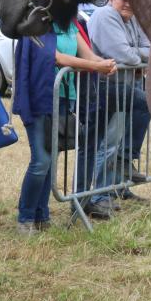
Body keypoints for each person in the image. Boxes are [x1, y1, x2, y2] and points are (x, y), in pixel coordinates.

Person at [13, 17, 115, 235]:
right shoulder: (36, 23)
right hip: (40, 100)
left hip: (65, 98)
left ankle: (41, 215)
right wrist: (96, 66)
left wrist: (107, 63)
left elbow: (88, 54)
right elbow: (56, 58)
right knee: (41, 161)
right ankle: (25, 217)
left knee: (51, 160)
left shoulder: (70, 23)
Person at [85, 0, 151, 217]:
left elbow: (150, 48)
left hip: (126, 85)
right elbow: (125, 55)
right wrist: (136, 56)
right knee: (108, 142)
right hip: (106, 87)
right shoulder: (105, 15)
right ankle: (99, 195)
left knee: (119, 138)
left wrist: (135, 55)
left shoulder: (130, 17)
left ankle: (117, 186)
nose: (129, 2)